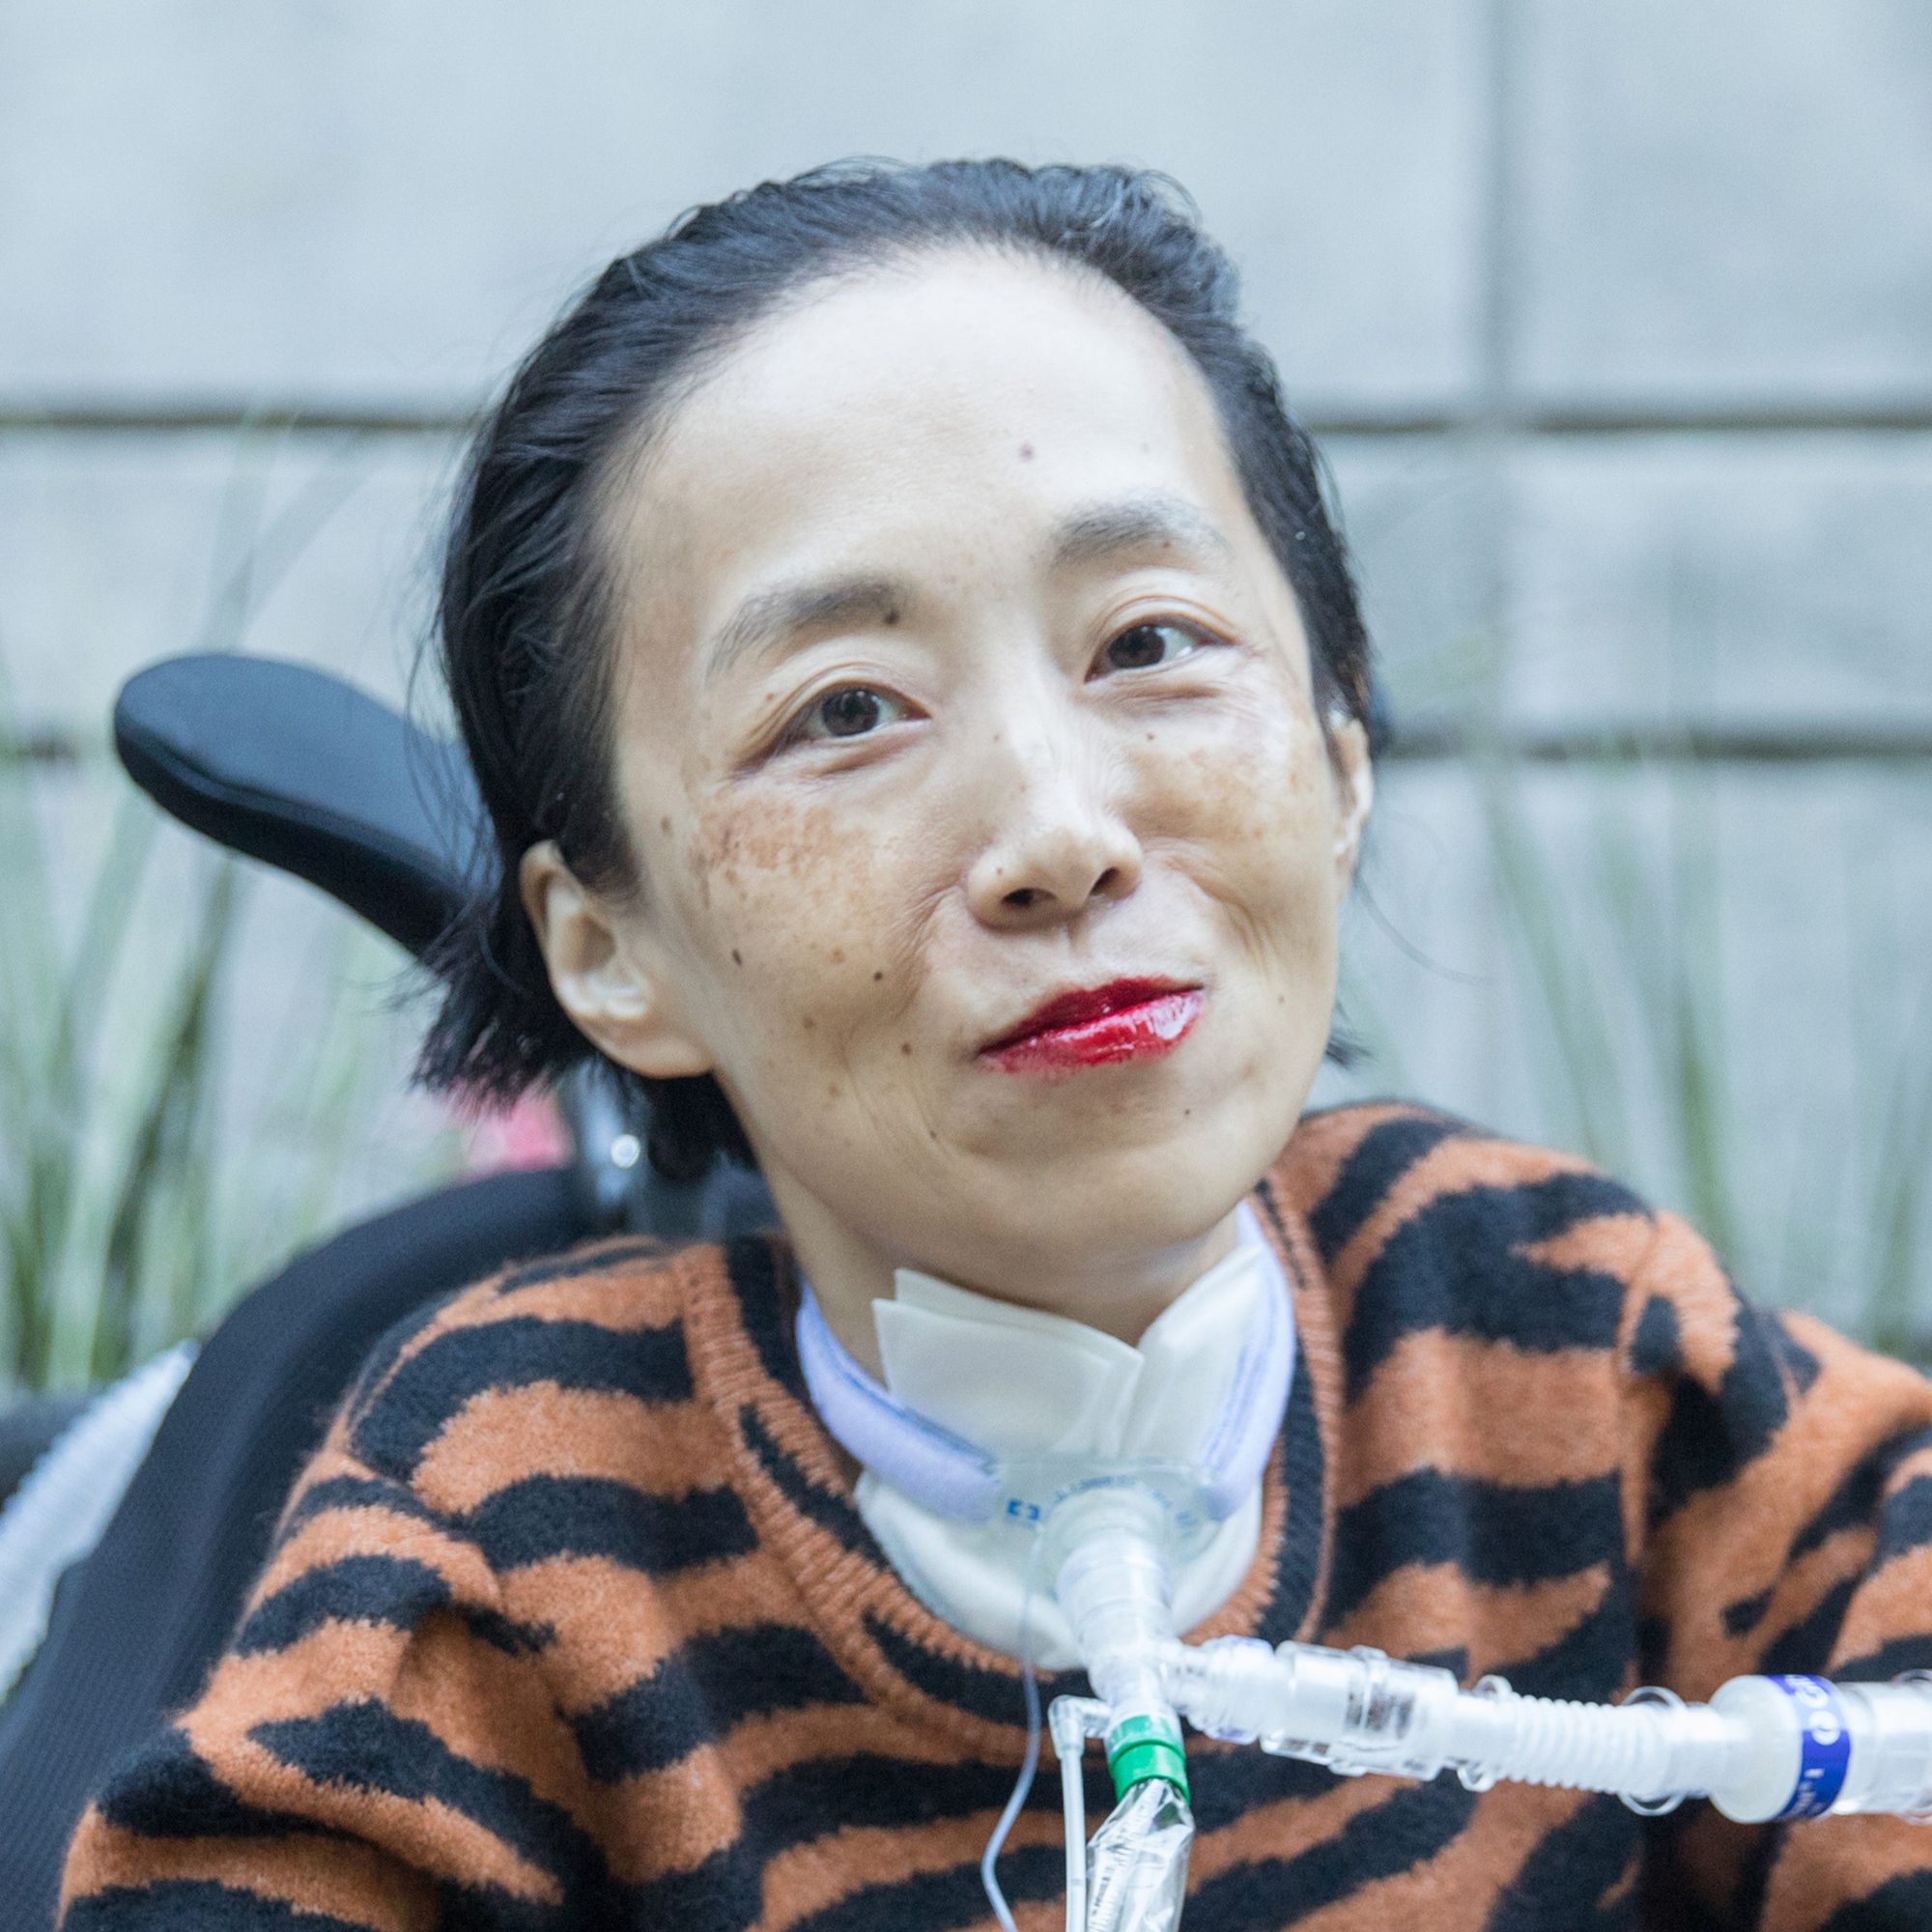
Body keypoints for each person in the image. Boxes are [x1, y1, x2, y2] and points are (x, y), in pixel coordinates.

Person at [55, 158, 1932, 1930]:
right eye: (845, 710)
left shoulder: (1562, 1337)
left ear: (1339, 755)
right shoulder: (513, 1521)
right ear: (608, 949)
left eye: (1151, 643)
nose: (1058, 830)